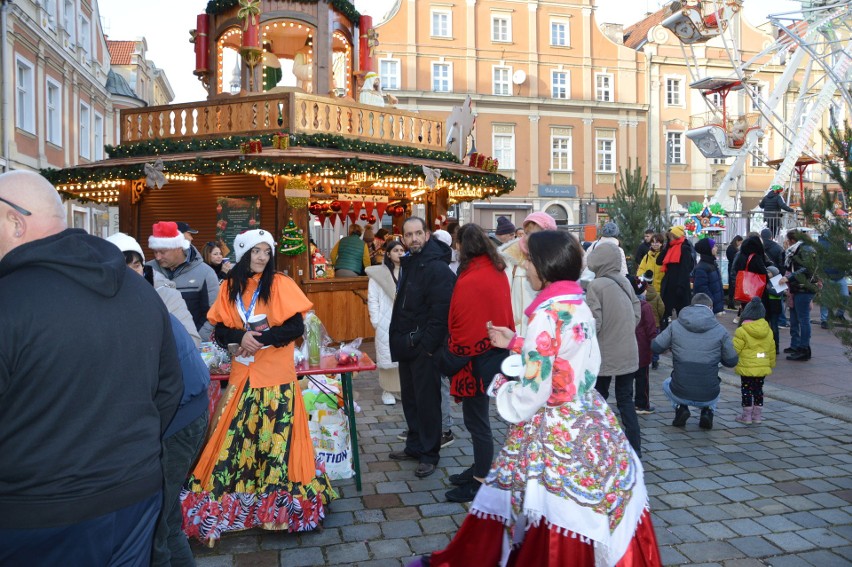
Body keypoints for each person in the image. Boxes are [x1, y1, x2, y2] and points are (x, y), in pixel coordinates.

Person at [418, 230, 662, 566]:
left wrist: (501, 386)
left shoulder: (547, 314)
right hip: (587, 413)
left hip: (554, 424)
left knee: (551, 508)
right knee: (587, 503)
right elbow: (569, 355)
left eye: (529, 260)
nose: (526, 267)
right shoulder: (575, 301)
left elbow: (532, 391)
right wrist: (517, 342)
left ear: (543, 267)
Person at [0, 170, 183, 565]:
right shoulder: (139, 289)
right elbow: (169, 389)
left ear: (15, 222)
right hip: (134, 495)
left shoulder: (8, 301)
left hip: (38, 514)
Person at [181, 229, 337, 542]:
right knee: (236, 437)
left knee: (279, 441)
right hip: (244, 376)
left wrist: (258, 340)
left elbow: (294, 327)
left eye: (267, 251)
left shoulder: (280, 283)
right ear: (244, 254)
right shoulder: (229, 287)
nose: (262, 257)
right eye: (256, 251)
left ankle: (279, 508)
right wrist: (240, 338)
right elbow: (221, 330)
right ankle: (237, 502)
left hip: (277, 375)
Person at [107, 232, 210, 566]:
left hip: (180, 417)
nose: (131, 271)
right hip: (184, 412)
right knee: (165, 518)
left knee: (157, 525)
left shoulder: (144, 302)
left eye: (135, 263)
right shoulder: (131, 302)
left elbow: (158, 381)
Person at [437, 224, 513, 503]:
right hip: (491, 354)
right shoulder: (495, 269)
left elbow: (463, 323)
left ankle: (481, 479)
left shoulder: (472, 277)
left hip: (475, 361)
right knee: (477, 420)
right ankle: (479, 468)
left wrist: (452, 351)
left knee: (477, 422)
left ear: (463, 246)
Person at [388, 217, 455, 479]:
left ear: (427, 235)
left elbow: (442, 313)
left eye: (418, 233)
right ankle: (415, 445)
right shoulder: (411, 261)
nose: (414, 238)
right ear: (403, 238)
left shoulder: (437, 268)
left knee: (428, 403)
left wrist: (426, 345)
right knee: (412, 400)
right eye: (409, 234)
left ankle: (430, 454)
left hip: (423, 347)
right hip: (407, 344)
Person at [586, 242, 643, 456]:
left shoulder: (596, 286)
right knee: (626, 400)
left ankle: (597, 446)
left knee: (598, 399)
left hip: (605, 354)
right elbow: (637, 310)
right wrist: (625, 328)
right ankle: (635, 450)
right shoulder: (625, 282)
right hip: (628, 352)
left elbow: (595, 323)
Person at [652, 293, 738, 430]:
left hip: (679, 390)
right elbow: (732, 361)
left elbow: (656, 347)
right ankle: (708, 411)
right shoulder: (720, 330)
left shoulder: (675, 325)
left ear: (691, 305)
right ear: (710, 307)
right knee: (715, 381)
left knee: (666, 383)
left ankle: (680, 408)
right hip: (709, 394)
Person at [147, 221, 220, 340]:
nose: (157, 257)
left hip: (192, 345)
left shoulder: (205, 273)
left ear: (178, 248)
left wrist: (195, 340)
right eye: (155, 252)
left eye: (163, 252)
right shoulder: (147, 271)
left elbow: (213, 312)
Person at [499, 211, 557, 335]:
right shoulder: (511, 258)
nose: (529, 237)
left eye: (536, 234)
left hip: (547, 331)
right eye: (527, 233)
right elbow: (503, 295)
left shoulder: (557, 261)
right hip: (518, 332)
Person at [366, 239, 405, 406]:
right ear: (388, 254)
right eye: (396, 250)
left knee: (403, 356)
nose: (399, 253)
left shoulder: (409, 271)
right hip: (385, 320)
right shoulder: (379, 274)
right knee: (386, 356)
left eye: (402, 250)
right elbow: (372, 298)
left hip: (404, 320)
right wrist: (376, 320)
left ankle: (400, 389)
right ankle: (387, 390)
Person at [732, 298, 776, 425]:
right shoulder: (768, 330)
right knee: (758, 390)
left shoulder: (742, 330)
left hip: (746, 367)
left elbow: (735, 349)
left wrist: (730, 359)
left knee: (746, 390)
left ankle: (746, 416)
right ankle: (757, 416)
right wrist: (771, 364)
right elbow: (771, 349)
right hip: (762, 367)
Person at [782, 229, 818, 361]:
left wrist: (789, 278)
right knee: (800, 318)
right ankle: (800, 347)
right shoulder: (803, 248)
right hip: (801, 287)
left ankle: (804, 348)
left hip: (803, 288)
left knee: (803, 319)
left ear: (793, 240)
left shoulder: (804, 249)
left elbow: (806, 269)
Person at [631, 276, 659, 416]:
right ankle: (641, 404)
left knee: (626, 378)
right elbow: (651, 328)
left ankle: (625, 402)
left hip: (626, 347)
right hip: (642, 348)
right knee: (642, 378)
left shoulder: (624, 304)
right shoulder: (644, 306)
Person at [657, 225, 695, 322]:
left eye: (671, 236)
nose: (669, 239)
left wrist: (681, 286)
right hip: (669, 285)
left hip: (679, 285)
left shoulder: (685, 248)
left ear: (676, 236)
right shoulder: (670, 248)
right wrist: (666, 248)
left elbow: (685, 269)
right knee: (665, 313)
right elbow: (659, 260)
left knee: (682, 314)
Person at [732, 234, 769, 322]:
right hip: (756, 292)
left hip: (745, 292)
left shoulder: (741, 256)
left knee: (746, 315)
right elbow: (764, 274)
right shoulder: (756, 257)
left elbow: (735, 270)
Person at [817, 229, 849, 328]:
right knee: (827, 298)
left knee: (844, 296)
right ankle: (824, 319)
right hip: (829, 275)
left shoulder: (840, 244)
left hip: (837, 275)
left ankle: (837, 315)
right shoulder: (825, 244)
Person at [692, 238, 725, 314]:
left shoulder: (712, 264)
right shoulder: (701, 268)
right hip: (707, 308)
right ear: (708, 249)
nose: (716, 248)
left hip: (712, 307)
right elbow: (701, 288)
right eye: (714, 246)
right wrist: (712, 302)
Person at [725, 235, 744, 309]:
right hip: (732, 269)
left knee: (732, 286)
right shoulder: (732, 249)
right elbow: (733, 259)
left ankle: (731, 303)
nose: (740, 244)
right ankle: (731, 303)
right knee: (732, 287)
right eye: (740, 242)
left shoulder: (731, 248)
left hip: (731, 268)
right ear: (737, 241)